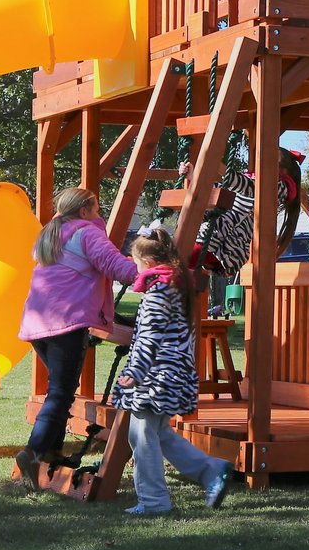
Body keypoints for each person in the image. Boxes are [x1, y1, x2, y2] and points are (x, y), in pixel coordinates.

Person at [16, 187, 139, 486]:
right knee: (60, 392)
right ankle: (34, 453)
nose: (99, 214)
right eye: (96, 208)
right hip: (65, 323)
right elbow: (116, 266)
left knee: (60, 391)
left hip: (39, 322)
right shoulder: (87, 233)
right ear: (84, 211)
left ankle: (51, 453)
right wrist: (154, 273)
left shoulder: (51, 232)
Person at [111, 229, 232, 515]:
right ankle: (211, 470)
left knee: (141, 435)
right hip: (173, 374)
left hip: (155, 376)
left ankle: (154, 501)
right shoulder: (176, 286)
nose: (135, 268)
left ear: (149, 264)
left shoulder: (158, 293)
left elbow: (150, 337)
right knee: (159, 433)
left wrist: (136, 372)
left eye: (136, 262)